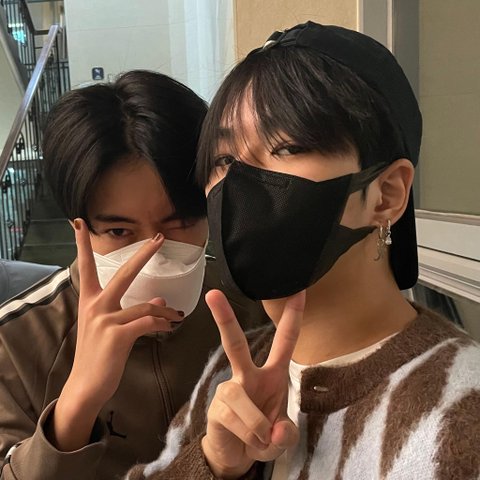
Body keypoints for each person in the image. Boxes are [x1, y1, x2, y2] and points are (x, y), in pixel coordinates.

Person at [125, 22, 480, 480]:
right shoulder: (229, 374)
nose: (239, 183)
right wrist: (214, 463)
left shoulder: (462, 415)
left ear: (387, 194)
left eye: (287, 147)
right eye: (225, 159)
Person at [0, 70, 268, 480]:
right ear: (78, 227)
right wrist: (75, 406)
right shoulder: (15, 341)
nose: (152, 256)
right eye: (119, 232)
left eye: (180, 223)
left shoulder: (252, 301)